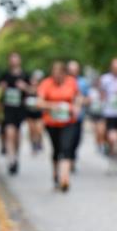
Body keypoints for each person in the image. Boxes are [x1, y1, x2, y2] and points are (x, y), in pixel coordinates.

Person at [36, 60, 82, 192]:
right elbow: (39, 103)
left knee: (66, 148)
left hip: (68, 122)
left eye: (59, 74)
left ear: (64, 73)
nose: (57, 76)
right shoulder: (46, 83)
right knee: (56, 150)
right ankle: (56, 175)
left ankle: (65, 179)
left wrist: (76, 106)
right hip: (52, 122)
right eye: (54, 74)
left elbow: (78, 96)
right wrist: (53, 106)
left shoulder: (71, 82)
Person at [0, 52, 30, 175]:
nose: (13, 61)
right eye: (11, 59)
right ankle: (10, 159)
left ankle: (16, 156)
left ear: (19, 60)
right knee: (9, 133)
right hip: (8, 109)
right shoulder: (5, 75)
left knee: (17, 135)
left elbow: (33, 91)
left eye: (16, 58)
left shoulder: (25, 75)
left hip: (20, 109)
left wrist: (24, 87)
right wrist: (2, 88)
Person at [68, 60, 89, 173]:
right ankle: (68, 158)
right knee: (67, 140)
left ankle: (72, 157)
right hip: (65, 118)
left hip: (78, 117)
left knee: (76, 139)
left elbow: (88, 98)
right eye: (71, 70)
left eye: (75, 70)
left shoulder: (83, 83)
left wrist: (80, 102)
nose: (73, 72)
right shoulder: (64, 82)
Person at [24, 70, 45, 154]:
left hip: (39, 112)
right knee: (31, 130)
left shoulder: (41, 89)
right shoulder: (27, 89)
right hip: (29, 112)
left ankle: (39, 141)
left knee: (39, 129)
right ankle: (33, 145)